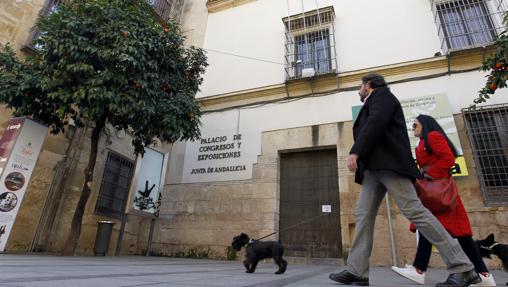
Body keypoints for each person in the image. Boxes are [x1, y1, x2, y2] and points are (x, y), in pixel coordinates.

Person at [328, 73, 480, 287]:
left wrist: (356, 151)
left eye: (360, 86)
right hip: (374, 169)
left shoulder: (382, 96)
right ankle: (357, 271)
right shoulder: (375, 99)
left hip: (390, 165)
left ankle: (463, 267)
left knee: (415, 211)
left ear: (369, 85)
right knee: (363, 215)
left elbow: (376, 123)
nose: (358, 90)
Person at [391, 114, 496, 286]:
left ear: (424, 124)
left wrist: (429, 174)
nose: (413, 128)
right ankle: (483, 276)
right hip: (436, 193)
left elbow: (448, 158)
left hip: (440, 193)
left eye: (415, 125)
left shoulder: (433, 136)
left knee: (445, 231)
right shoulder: (423, 142)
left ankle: (420, 270)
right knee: (448, 232)